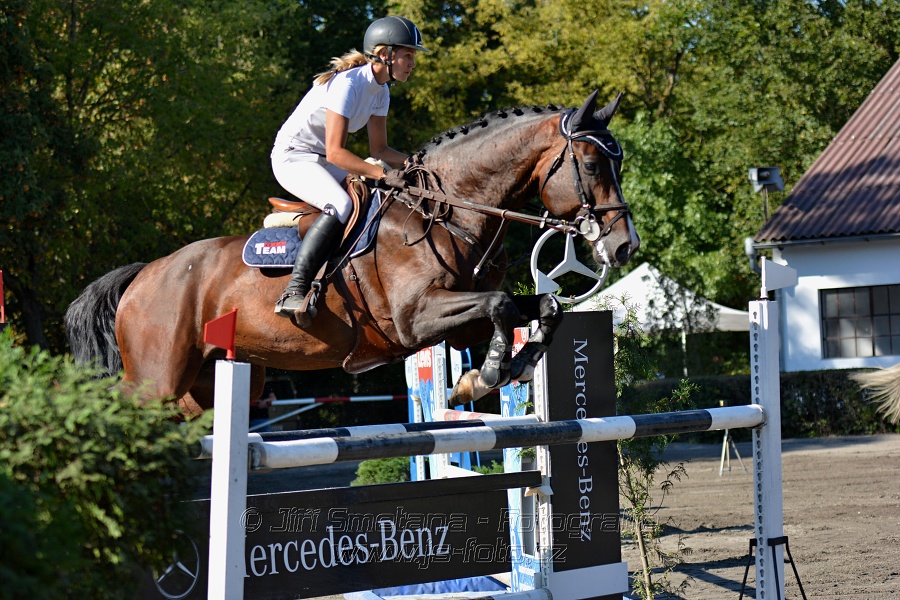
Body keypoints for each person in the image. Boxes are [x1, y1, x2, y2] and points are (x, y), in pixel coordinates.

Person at [270, 15, 428, 319]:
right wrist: (384, 173)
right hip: (293, 156)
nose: (412, 63)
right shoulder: (348, 85)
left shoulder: (381, 91)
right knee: (341, 203)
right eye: (408, 55)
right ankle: (294, 289)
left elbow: (379, 150)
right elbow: (337, 153)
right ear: (386, 54)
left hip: (320, 158)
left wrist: (418, 164)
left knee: (373, 199)